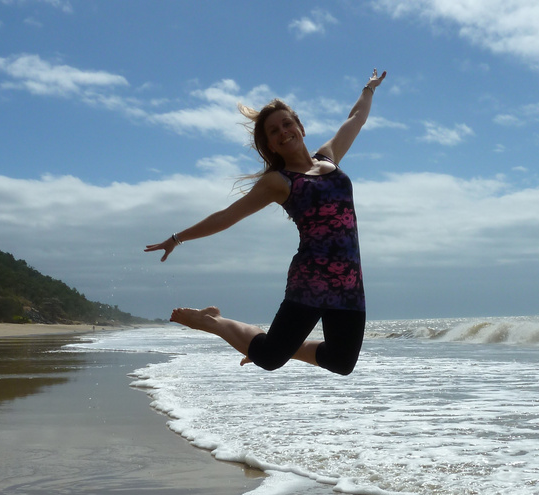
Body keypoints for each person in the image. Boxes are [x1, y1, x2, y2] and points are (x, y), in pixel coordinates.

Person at [144, 68, 386, 375]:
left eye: (287, 124)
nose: (283, 131)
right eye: (274, 131)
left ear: (301, 127)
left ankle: (277, 344)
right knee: (270, 359)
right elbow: (228, 216)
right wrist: (177, 238)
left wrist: (369, 88)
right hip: (310, 279)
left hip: (349, 281)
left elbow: (356, 118)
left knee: (341, 361)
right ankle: (214, 321)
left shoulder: (328, 157)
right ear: (270, 145)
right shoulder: (278, 181)